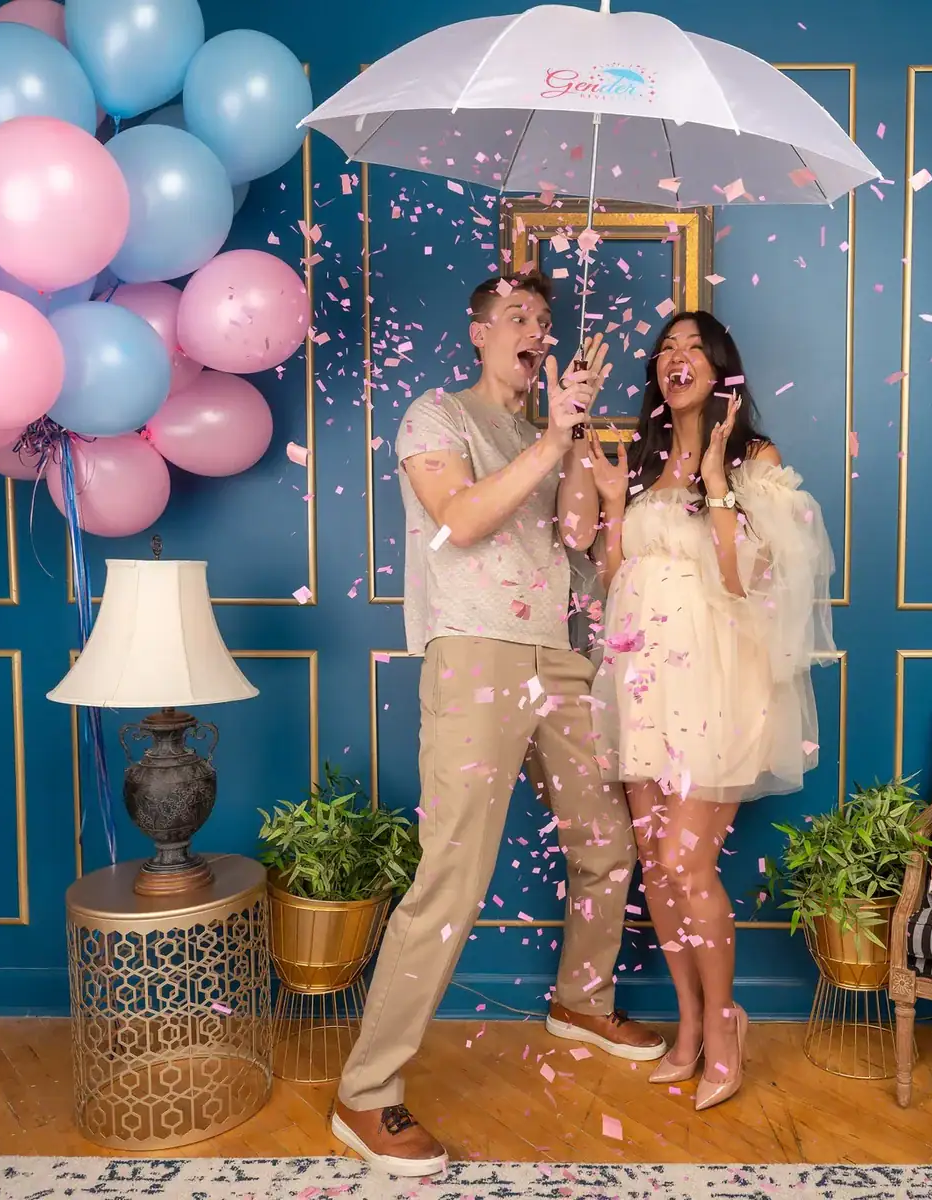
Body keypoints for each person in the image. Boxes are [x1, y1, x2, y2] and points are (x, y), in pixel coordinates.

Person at [331, 273, 666, 1177]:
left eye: (544, 320)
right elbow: (462, 519)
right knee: (451, 877)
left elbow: (575, 542)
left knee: (607, 843)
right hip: (474, 652)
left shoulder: (546, 428)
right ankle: (367, 1093)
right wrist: (550, 438)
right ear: (477, 332)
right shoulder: (433, 417)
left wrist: (583, 460)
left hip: (556, 652)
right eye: (516, 316)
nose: (534, 328)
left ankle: (579, 1000)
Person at [588, 310, 835, 1112]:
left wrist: (722, 483)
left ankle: (726, 1024)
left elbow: (748, 583)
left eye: (692, 346)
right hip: (641, 681)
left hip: (717, 683)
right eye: (664, 348)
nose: (674, 358)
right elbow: (611, 579)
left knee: (690, 863)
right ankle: (689, 1025)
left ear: (721, 366)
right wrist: (606, 506)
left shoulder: (753, 460)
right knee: (656, 864)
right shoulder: (644, 460)